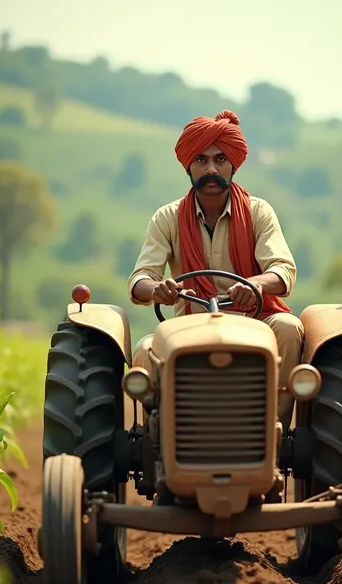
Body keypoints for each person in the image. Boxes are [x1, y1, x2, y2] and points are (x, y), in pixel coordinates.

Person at [127, 109, 304, 426]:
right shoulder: (167, 218)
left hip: (255, 322)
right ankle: (161, 439)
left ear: (233, 164)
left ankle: (273, 435)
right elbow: (140, 279)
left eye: (220, 159)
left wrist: (255, 286)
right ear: (188, 166)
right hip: (189, 325)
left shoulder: (257, 212)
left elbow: (282, 271)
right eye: (201, 160)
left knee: (290, 329)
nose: (211, 169)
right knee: (144, 350)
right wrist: (159, 289)